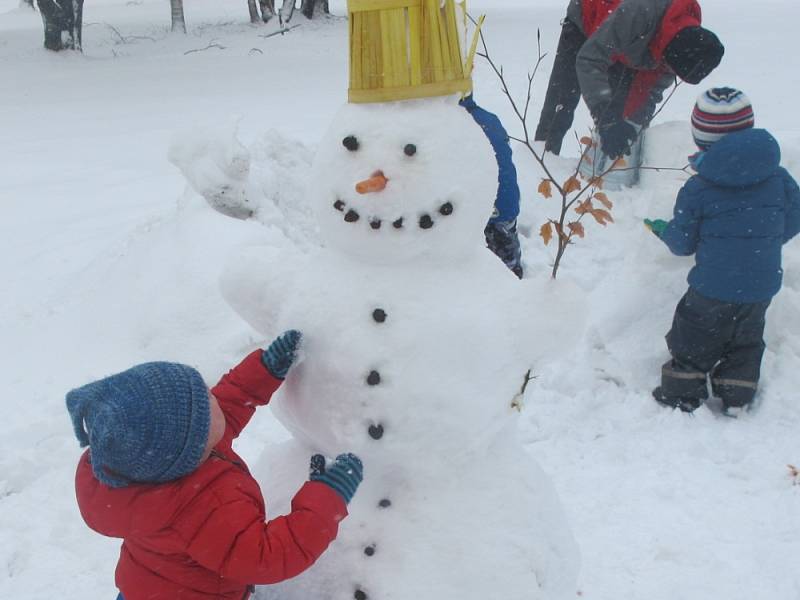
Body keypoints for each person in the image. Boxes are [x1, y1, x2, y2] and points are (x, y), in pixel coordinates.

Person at [66, 330, 364, 600]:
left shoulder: (153, 467)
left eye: (205, 394)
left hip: (145, 590)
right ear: (190, 449)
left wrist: (264, 370)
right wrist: (327, 498)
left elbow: (226, 407)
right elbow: (267, 557)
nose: (214, 400)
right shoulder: (202, 510)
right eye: (205, 405)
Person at [644, 88, 800, 415]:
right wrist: (767, 240)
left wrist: (663, 231)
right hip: (761, 285)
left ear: (701, 141)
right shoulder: (780, 179)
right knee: (746, 340)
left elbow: (682, 243)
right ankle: (737, 395)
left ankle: (681, 393)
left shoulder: (699, 188)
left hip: (711, 287)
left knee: (692, 338)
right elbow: (795, 218)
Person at [535, 0, 724, 159]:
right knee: (562, 102)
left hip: (633, 44)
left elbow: (648, 94)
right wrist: (605, 118)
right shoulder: (637, 13)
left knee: (620, 114)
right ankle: (541, 164)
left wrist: (634, 130)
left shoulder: (687, 44)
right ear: (667, 55)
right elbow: (589, 60)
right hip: (588, 18)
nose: (668, 73)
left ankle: (601, 175)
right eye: (669, 68)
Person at [460, 94, 524, 278]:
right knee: (508, 271)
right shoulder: (488, 120)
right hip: (504, 211)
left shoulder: (448, 125)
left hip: (479, 216)